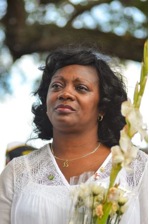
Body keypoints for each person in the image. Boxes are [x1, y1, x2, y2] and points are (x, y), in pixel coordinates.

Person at [0, 45, 147, 224]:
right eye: (56, 86)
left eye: (81, 88)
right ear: (46, 103)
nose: (65, 93)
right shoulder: (18, 173)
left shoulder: (138, 169)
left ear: (102, 106)